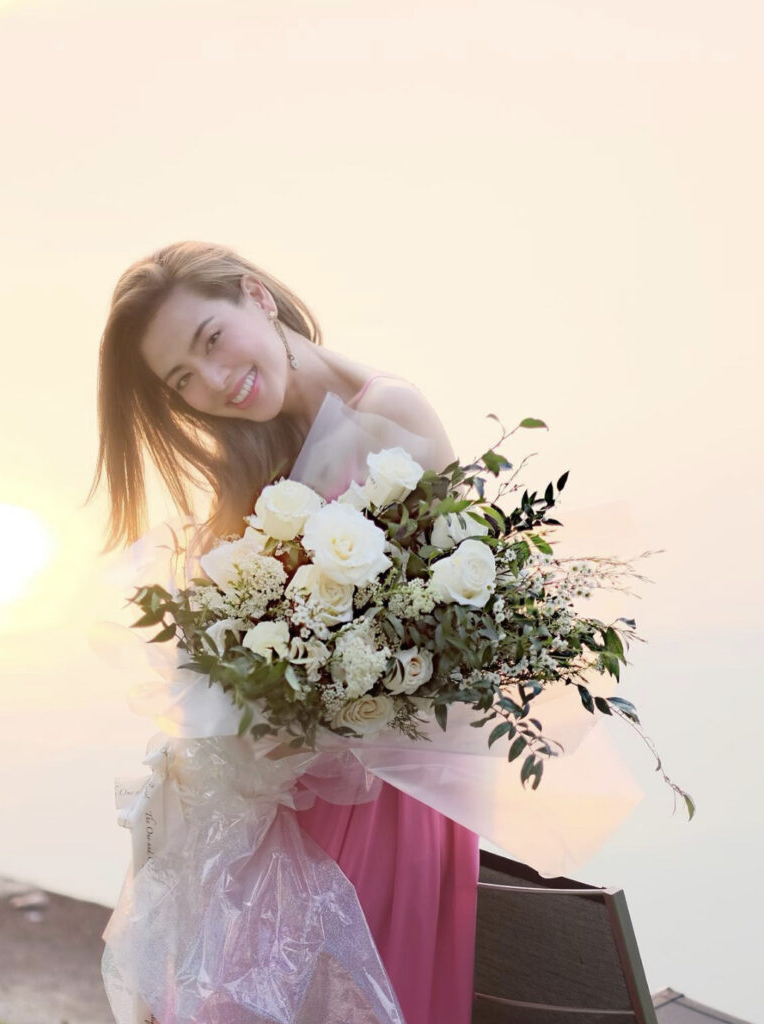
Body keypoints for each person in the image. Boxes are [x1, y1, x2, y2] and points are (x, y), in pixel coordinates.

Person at [86, 240, 479, 1022]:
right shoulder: (255, 448)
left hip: (386, 794)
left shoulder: (387, 413)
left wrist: (327, 692)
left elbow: (454, 629)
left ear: (257, 297)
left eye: (210, 340)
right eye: (183, 380)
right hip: (285, 790)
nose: (212, 382)